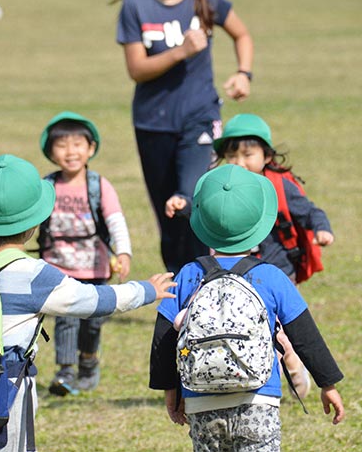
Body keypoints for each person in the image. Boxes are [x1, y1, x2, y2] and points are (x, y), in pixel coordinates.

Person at [0, 154, 176, 452]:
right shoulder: (34, 276)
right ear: (34, 223)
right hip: (6, 386)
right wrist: (145, 291)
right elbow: (93, 301)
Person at [150, 165, 345, 451]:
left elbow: (164, 337)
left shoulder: (188, 274)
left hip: (200, 400)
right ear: (260, 227)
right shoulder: (272, 276)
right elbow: (305, 335)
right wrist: (327, 384)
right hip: (258, 399)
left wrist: (171, 389)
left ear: (201, 225)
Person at [115, 0, 254, 275]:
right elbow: (137, 69)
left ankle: (209, 281)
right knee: (168, 216)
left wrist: (243, 72)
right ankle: (181, 287)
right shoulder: (136, 6)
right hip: (152, 122)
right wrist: (180, 51)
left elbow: (243, 35)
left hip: (200, 118)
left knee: (192, 202)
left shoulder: (206, 2)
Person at [166, 112, 335, 400]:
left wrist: (322, 228)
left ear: (267, 155)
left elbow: (310, 210)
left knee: (280, 328)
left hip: (276, 269)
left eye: (248, 154)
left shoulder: (281, 185)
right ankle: (237, 371)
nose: (239, 163)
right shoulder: (221, 183)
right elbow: (209, 208)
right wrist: (184, 205)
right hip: (233, 271)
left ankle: (291, 364)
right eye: (232, 156)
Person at [36, 111, 133, 396]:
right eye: (62, 145)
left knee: (92, 323)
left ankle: (88, 362)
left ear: (91, 149)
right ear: (51, 152)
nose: (71, 152)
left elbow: (116, 220)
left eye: (78, 144)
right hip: (59, 268)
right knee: (65, 320)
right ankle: (65, 371)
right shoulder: (47, 186)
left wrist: (124, 252)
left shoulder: (98, 185)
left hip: (95, 268)